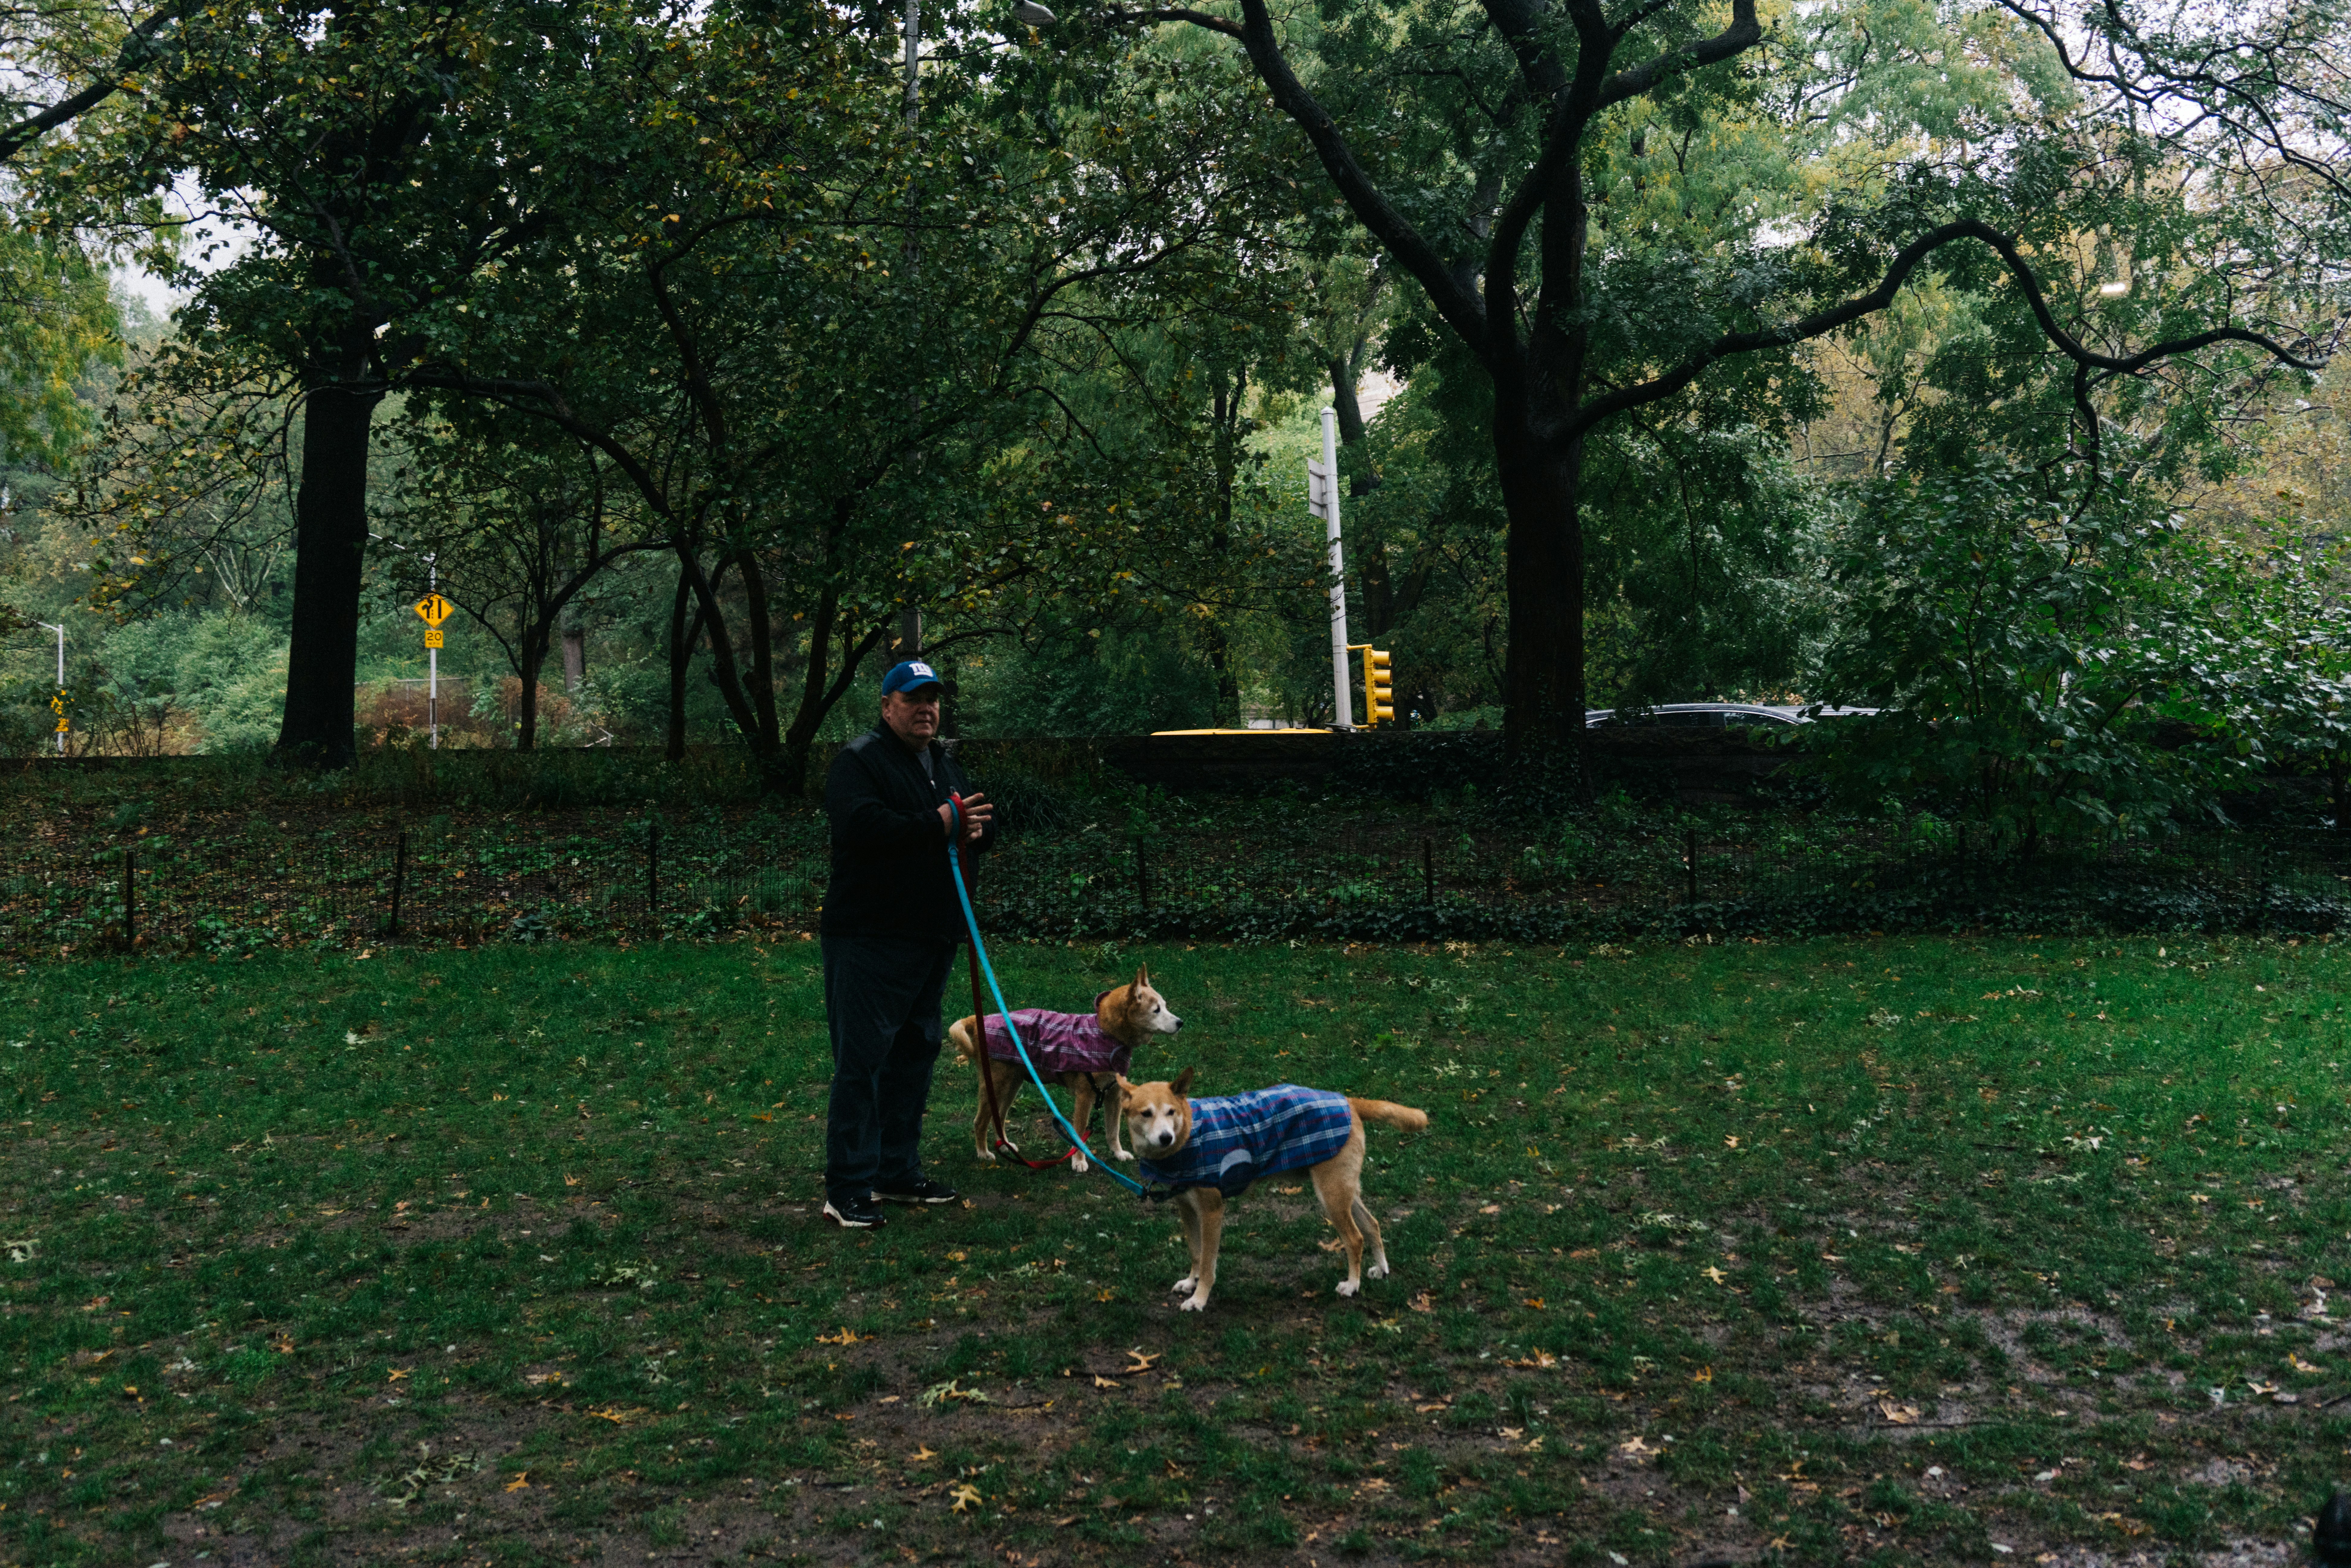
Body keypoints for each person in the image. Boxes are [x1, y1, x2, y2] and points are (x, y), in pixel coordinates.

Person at [818, 659, 997, 1229]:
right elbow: (865, 829)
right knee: (863, 1062)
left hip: (933, 937)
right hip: (871, 938)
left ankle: (896, 1171)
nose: (927, 708)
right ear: (887, 705)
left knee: (914, 1056)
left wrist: (976, 829)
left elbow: (973, 823)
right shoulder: (859, 763)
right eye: (914, 698)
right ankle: (848, 1187)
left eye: (934, 699)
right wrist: (941, 822)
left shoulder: (944, 763)